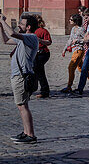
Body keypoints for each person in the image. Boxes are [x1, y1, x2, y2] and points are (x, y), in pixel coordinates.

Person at [1, 12, 40, 144]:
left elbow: (11, 33)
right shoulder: (24, 37)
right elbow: (6, 40)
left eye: (21, 24)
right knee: (22, 105)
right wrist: (1, 26)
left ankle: (30, 135)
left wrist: (2, 21)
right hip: (18, 75)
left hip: (21, 76)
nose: (19, 25)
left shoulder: (31, 37)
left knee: (22, 105)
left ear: (28, 27)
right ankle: (26, 132)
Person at [63, 14, 89, 93]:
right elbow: (70, 39)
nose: (69, 21)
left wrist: (78, 41)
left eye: (71, 20)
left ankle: (69, 86)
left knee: (71, 68)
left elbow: (86, 39)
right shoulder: (73, 29)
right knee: (81, 68)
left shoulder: (81, 30)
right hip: (74, 50)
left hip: (79, 50)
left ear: (75, 21)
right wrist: (65, 49)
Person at [34, 17, 52, 98]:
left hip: (42, 54)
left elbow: (49, 42)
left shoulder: (43, 31)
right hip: (34, 54)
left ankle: (45, 91)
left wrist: (40, 40)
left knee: (40, 72)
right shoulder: (31, 30)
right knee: (35, 71)